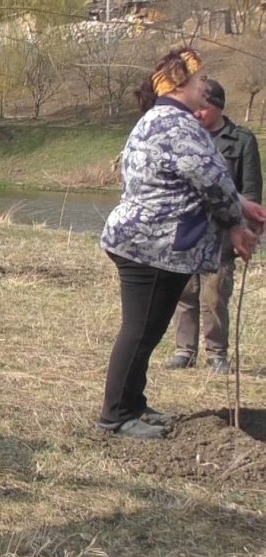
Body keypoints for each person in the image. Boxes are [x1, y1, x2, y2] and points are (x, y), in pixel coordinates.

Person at [99, 49, 263, 440]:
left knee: (147, 330)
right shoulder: (177, 126)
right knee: (140, 331)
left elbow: (202, 178)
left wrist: (242, 204)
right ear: (180, 84)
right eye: (199, 78)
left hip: (150, 243)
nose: (206, 85)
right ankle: (116, 416)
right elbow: (210, 181)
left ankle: (133, 405)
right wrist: (237, 224)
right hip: (152, 247)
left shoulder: (162, 121)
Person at [168, 79, 261, 375]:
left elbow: (251, 194)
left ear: (218, 107)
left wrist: (245, 231)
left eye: (203, 109)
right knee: (185, 291)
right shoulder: (186, 137)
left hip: (223, 232)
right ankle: (184, 350)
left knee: (216, 294)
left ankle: (216, 354)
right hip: (189, 228)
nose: (197, 114)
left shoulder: (243, 141)